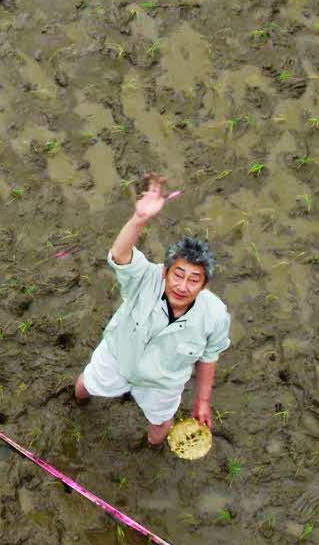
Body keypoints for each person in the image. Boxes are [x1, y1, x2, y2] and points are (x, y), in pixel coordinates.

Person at [72, 175, 232, 448]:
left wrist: (202, 401)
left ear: (204, 285)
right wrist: (139, 219)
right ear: (164, 271)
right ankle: (76, 408)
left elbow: (208, 356)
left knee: (161, 428)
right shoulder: (145, 278)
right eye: (177, 274)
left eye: (194, 280)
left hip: (162, 383)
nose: (183, 286)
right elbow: (121, 255)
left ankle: (147, 451)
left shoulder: (215, 315)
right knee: (84, 386)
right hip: (117, 358)